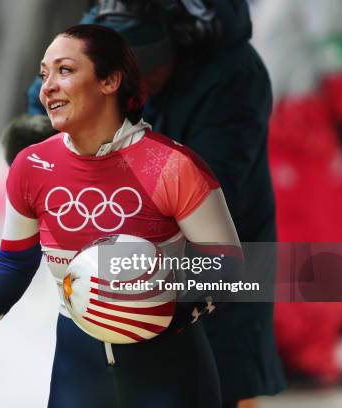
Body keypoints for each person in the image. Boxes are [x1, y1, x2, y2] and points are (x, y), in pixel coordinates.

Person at [0, 24, 241, 407]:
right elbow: (14, 263)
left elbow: (229, 265)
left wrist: (169, 309)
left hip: (170, 373)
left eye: (64, 70)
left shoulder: (173, 166)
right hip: (79, 371)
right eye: (43, 74)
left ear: (110, 80)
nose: (47, 86)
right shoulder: (32, 166)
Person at [25, 2, 285, 407]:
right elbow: (41, 113)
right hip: (114, 276)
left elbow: (210, 193)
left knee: (223, 378)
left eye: (145, 81)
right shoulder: (88, 42)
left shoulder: (234, 76)